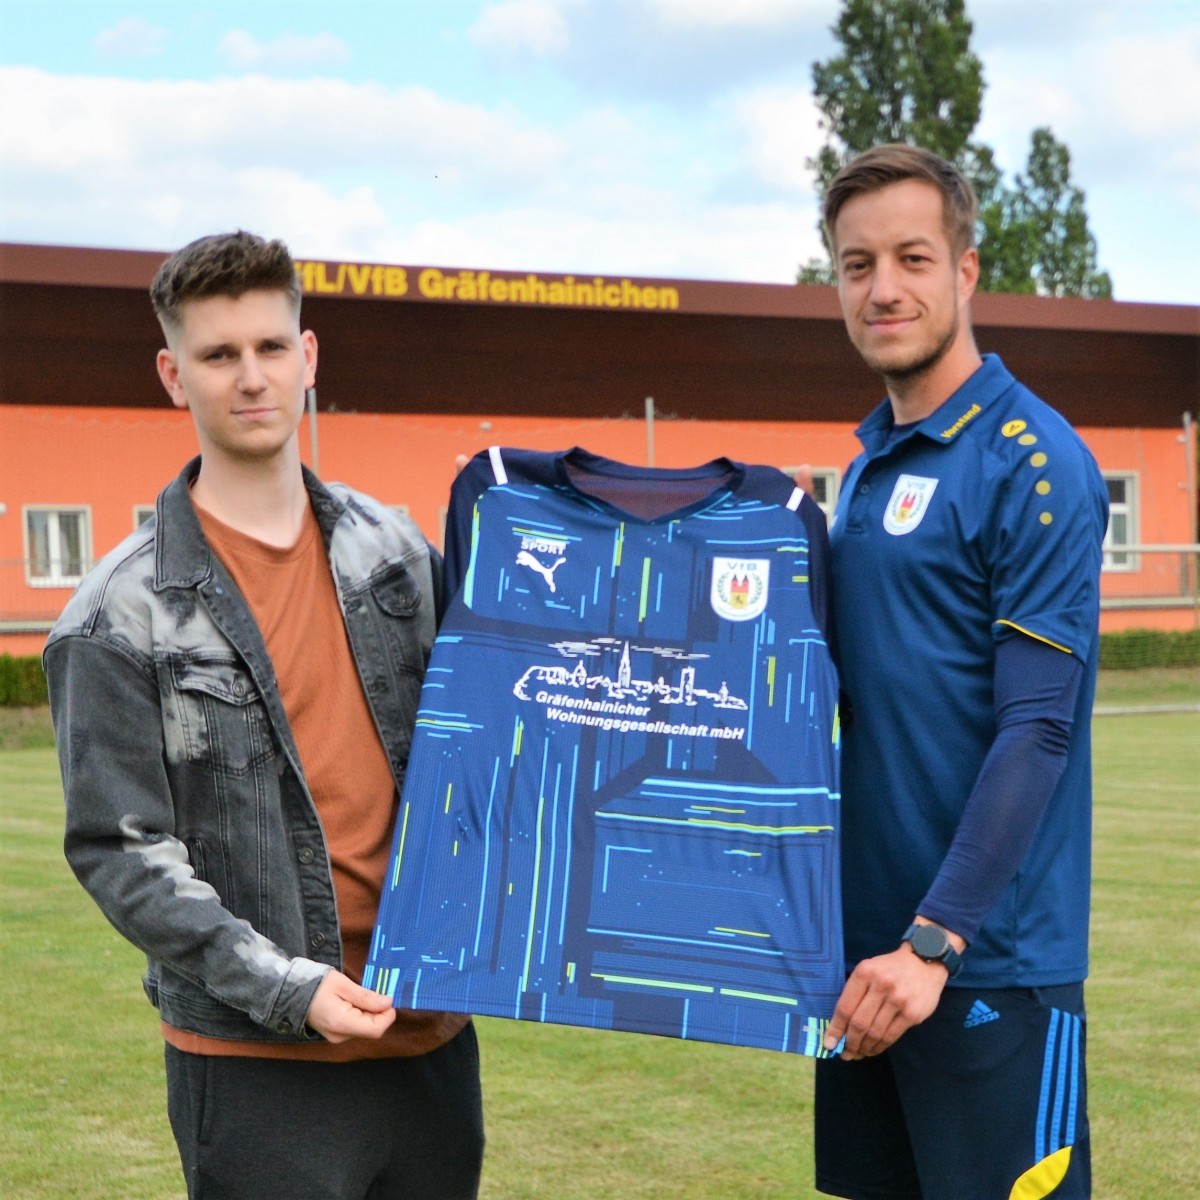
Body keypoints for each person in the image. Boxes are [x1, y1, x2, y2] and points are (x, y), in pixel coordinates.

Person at [43, 231, 484, 1200]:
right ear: (173, 375)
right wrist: (290, 987)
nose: (251, 377)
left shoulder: (397, 551)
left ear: (308, 356)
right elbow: (121, 851)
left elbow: (497, 745)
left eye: (271, 347)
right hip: (256, 1062)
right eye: (218, 354)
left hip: (429, 1039)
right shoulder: (116, 615)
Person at [812, 145, 1108, 1200]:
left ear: (966, 270)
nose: (883, 288)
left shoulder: (1033, 462)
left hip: (982, 965)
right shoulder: (865, 469)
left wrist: (934, 943)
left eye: (912, 258)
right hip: (865, 965)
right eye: (857, 265)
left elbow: (1038, 728)